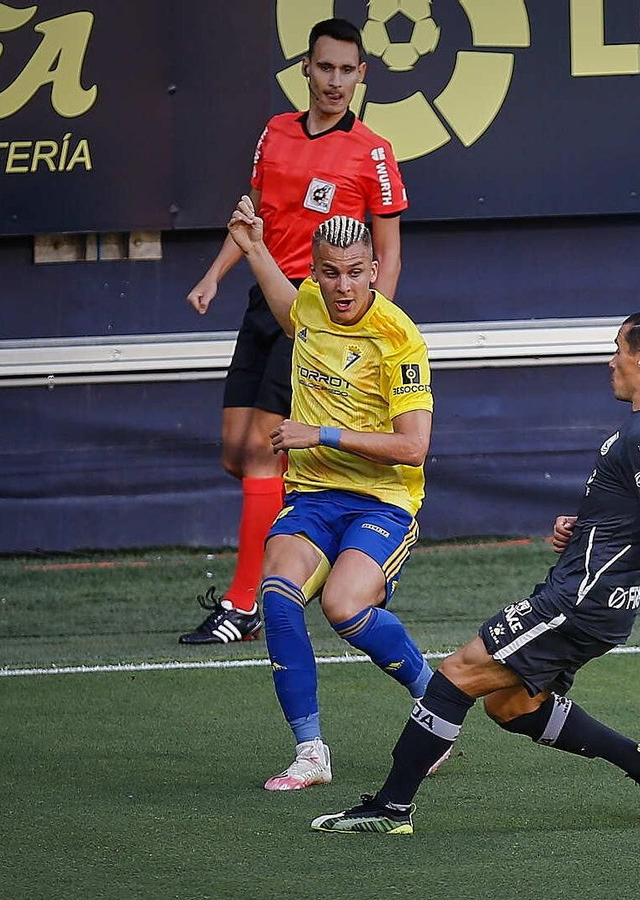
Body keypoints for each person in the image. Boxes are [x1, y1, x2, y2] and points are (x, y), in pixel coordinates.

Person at [311, 310, 640, 834]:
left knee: (456, 676)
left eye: (617, 348)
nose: (610, 360)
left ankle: (390, 809)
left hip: (580, 600)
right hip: (596, 598)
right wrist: (586, 526)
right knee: (510, 704)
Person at [180, 17, 408, 645]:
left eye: (346, 70)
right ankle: (315, 556)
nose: (335, 81)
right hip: (265, 302)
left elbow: (388, 253)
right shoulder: (275, 133)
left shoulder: (374, 152)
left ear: (361, 76)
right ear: (304, 69)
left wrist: (367, 331)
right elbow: (250, 217)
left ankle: (247, 602)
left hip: (320, 317)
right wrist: (214, 277)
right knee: (237, 453)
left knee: (262, 450)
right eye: (324, 67)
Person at [225, 198, 434, 791]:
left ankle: (435, 701)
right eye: (329, 271)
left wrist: (319, 433)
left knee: (344, 607)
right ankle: (311, 752)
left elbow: (414, 447)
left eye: (354, 272)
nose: (342, 285)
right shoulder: (312, 304)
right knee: (278, 593)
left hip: (383, 502)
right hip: (314, 495)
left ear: (374, 270)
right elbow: (292, 313)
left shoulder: (399, 339)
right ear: (314, 271)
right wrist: (256, 248)